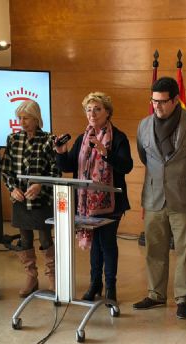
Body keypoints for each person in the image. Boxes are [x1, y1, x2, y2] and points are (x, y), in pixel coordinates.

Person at [132, 77, 186, 319]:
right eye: (154, 101)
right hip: (154, 197)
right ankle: (156, 294)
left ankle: (182, 298)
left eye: (163, 102)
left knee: (185, 251)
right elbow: (145, 157)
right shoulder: (144, 125)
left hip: (185, 198)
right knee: (154, 249)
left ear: (176, 100)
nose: (157, 106)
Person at [54, 92, 132, 303]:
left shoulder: (119, 138)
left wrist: (105, 152)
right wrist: (61, 152)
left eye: (97, 109)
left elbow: (126, 166)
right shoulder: (83, 138)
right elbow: (68, 166)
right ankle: (95, 284)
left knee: (106, 243)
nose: (92, 114)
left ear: (107, 112)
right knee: (95, 245)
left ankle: (111, 288)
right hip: (86, 203)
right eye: (89, 110)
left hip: (111, 203)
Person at [2, 100, 60, 297]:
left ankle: (52, 276)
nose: (22, 122)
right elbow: (6, 170)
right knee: (25, 238)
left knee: (45, 237)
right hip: (20, 199)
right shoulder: (13, 139)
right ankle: (31, 277)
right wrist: (12, 189)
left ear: (36, 118)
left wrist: (40, 184)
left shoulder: (49, 139)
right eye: (20, 118)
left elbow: (56, 170)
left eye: (26, 118)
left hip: (42, 199)